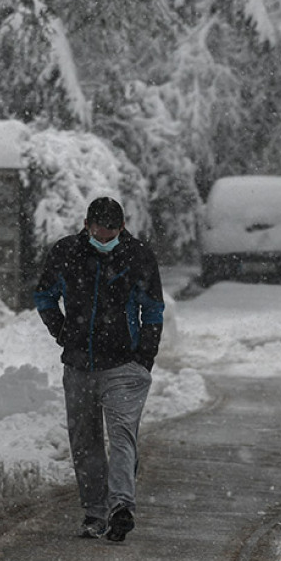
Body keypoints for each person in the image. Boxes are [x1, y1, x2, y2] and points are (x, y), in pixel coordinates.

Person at [33, 197, 165, 542]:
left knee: (122, 435)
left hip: (124, 365)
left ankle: (121, 507)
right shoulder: (66, 253)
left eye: (111, 235)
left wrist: (144, 356)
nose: (104, 241)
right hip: (78, 365)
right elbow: (44, 296)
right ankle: (94, 512)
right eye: (98, 234)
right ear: (87, 225)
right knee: (85, 440)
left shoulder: (138, 257)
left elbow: (152, 310)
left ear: (122, 228)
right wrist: (62, 332)